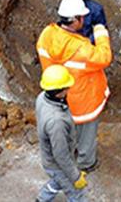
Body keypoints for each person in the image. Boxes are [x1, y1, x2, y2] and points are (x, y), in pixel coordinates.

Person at [37, 0, 112, 171]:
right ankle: (86, 162)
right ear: (76, 20)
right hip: (83, 99)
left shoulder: (47, 35)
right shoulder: (81, 49)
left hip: (60, 95)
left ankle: (72, 151)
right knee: (87, 133)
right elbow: (104, 57)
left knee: (69, 128)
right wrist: (101, 33)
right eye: (82, 17)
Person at [35, 65, 87, 202]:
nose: (69, 88)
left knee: (57, 182)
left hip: (49, 160)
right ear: (59, 92)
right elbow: (61, 155)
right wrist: (75, 176)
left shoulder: (42, 97)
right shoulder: (56, 121)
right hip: (57, 165)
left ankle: (42, 199)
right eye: (67, 87)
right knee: (77, 193)